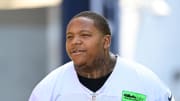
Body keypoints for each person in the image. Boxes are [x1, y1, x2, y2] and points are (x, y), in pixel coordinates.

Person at [29, 11, 175, 101]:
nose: (75, 42)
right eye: (70, 37)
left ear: (106, 41)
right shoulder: (49, 88)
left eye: (84, 35)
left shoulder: (144, 82)